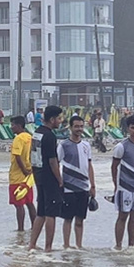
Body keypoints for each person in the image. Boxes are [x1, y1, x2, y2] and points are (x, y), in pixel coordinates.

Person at [27, 105, 64, 251]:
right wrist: (60, 179)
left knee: (41, 211)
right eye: (59, 118)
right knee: (51, 214)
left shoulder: (37, 132)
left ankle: (32, 244)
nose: (60, 121)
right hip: (49, 177)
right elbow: (53, 161)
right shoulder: (50, 136)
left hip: (38, 175)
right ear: (52, 119)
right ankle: (48, 247)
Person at [58, 115, 95, 249]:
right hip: (68, 188)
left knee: (80, 219)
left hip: (84, 188)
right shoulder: (63, 145)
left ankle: (79, 246)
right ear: (71, 127)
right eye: (76, 126)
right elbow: (56, 164)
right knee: (68, 219)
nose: (79, 129)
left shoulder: (86, 145)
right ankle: (66, 245)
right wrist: (60, 183)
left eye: (81, 126)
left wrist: (93, 185)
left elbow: (89, 165)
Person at [111, 116, 134, 249]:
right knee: (122, 216)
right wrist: (116, 185)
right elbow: (114, 167)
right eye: (133, 128)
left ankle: (131, 246)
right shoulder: (121, 146)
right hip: (124, 188)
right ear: (128, 129)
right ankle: (118, 245)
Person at [8, 116, 36, 231]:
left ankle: (20, 229)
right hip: (28, 176)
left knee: (18, 204)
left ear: (19, 125)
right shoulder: (29, 137)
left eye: (13, 125)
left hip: (17, 176)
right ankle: (35, 226)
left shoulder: (18, 139)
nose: (11, 127)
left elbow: (17, 156)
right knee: (29, 203)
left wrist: (23, 170)